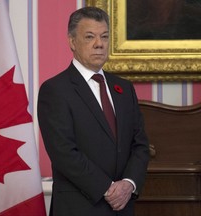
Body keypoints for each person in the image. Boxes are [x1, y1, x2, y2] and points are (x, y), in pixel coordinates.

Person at [37, 7, 150, 216]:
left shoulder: (124, 88)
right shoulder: (55, 90)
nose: (99, 44)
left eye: (104, 36)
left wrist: (128, 184)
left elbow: (140, 145)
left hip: (123, 207)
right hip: (80, 208)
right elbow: (64, 153)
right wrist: (108, 189)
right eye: (90, 37)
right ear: (72, 42)